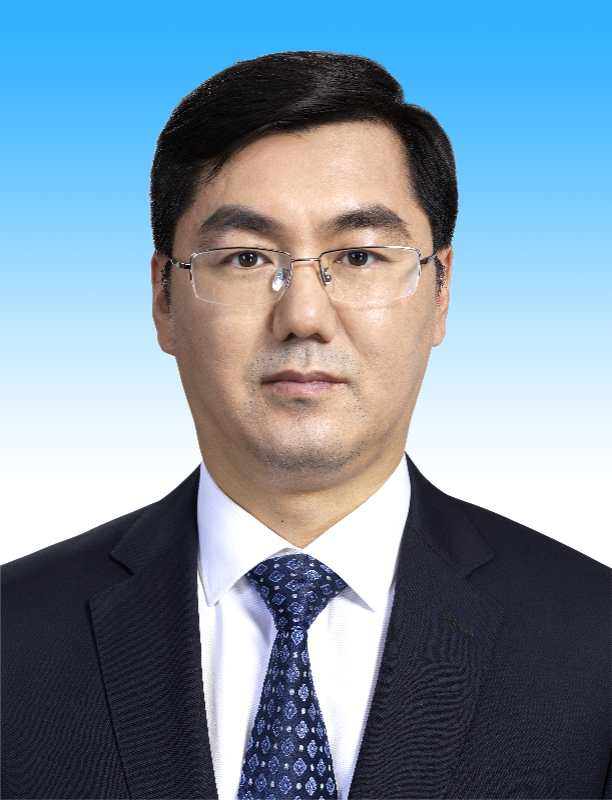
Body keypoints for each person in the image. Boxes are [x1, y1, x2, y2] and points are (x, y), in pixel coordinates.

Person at [1, 50, 610, 800]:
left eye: (358, 255)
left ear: (441, 291)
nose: (304, 315)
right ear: (164, 298)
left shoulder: (594, 643)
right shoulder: (15, 639)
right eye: (246, 258)